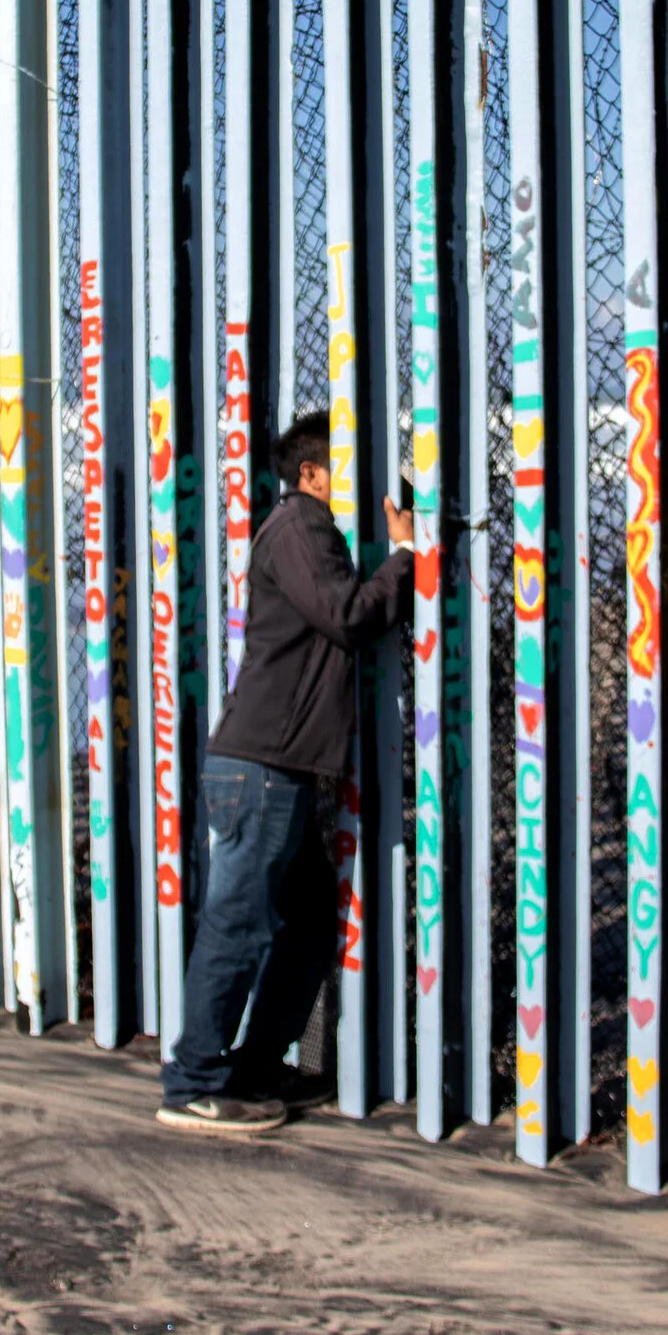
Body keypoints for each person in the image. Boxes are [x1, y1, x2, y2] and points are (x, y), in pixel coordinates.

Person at [155, 410, 414, 1135]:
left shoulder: (297, 528)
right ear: (309, 474)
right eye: (344, 466)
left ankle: (254, 1064)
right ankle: (194, 1080)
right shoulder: (303, 525)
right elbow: (347, 615)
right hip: (262, 768)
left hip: (280, 769)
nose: (358, 483)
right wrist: (403, 556)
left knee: (304, 926)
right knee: (238, 925)